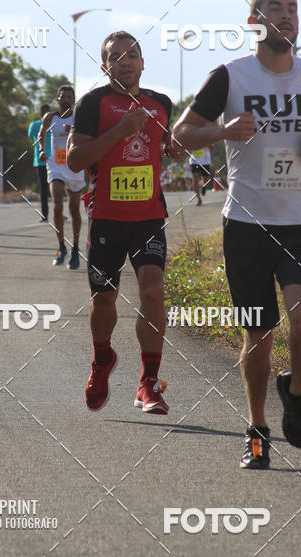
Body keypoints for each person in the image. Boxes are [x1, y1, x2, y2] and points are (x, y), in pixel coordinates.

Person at [173, 0, 301, 469]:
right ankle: (257, 429)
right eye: (274, 8)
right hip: (247, 224)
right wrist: (221, 131)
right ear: (255, 22)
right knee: (258, 334)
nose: (286, 15)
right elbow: (179, 137)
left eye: (293, 8)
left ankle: (296, 392)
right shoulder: (229, 76)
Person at [67, 31, 186, 414]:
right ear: (105, 66)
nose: (126, 61)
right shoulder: (92, 104)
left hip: (148, 216)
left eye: (132, 54)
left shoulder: (162, 104)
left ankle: (148, 382)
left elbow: (171, 148)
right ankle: (102, 360)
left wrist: (177, 148)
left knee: (153, 289)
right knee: (104, 299)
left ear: (143, 62)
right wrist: (119, 132)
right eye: (116, 56)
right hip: (106, 219)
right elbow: (74, 160)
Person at [39, 86, 85, 269]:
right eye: (63, 96)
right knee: (57, 205)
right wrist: (42, 150)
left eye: (69, 97)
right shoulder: (50, 117)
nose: (66, 99)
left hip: (74, 165)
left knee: (74, 209)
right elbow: (40, 134)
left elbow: (89, 137)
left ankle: (75, 249)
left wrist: (74, 131)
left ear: (74, 100)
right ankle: (60, 247)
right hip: (56, 165)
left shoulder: (78, 117)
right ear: (57, 99)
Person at [28, 104, 51, 221]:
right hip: (43, 161)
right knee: (47, 189)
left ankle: (50, 214)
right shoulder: (37, 125)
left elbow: (30, 136)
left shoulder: (35, 125)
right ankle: (46, 214)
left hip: (50, 161)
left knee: (48, 189)